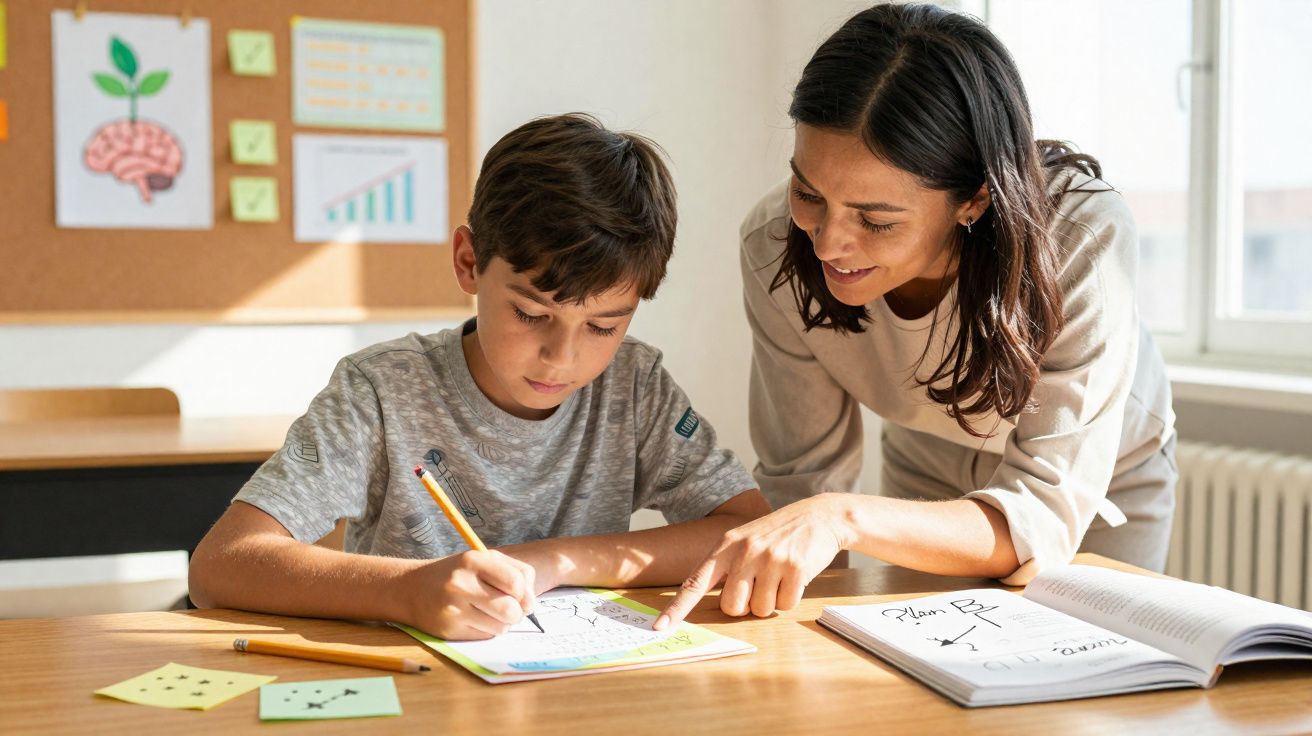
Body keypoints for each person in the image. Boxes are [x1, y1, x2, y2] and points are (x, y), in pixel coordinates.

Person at [656, 3, 1175, 631]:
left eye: (876, 220)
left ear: (974, 199)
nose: (827, 244)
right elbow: (802, 486)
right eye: (808, 194)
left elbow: (1040, 517)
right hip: (928, 459)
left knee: (1088, 678)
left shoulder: (1079, 236)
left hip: (1092, 480)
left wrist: (841, 517)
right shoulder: (773, 246)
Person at [189, 113, 769, 640]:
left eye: (603, 325)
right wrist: (406, 592)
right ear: (469, 262)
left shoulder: (634, 385)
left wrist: (555, 561)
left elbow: (746, 529)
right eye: (531, 313)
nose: (562, 357)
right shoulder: (382, 389)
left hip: (578, 692)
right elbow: (219, 566)